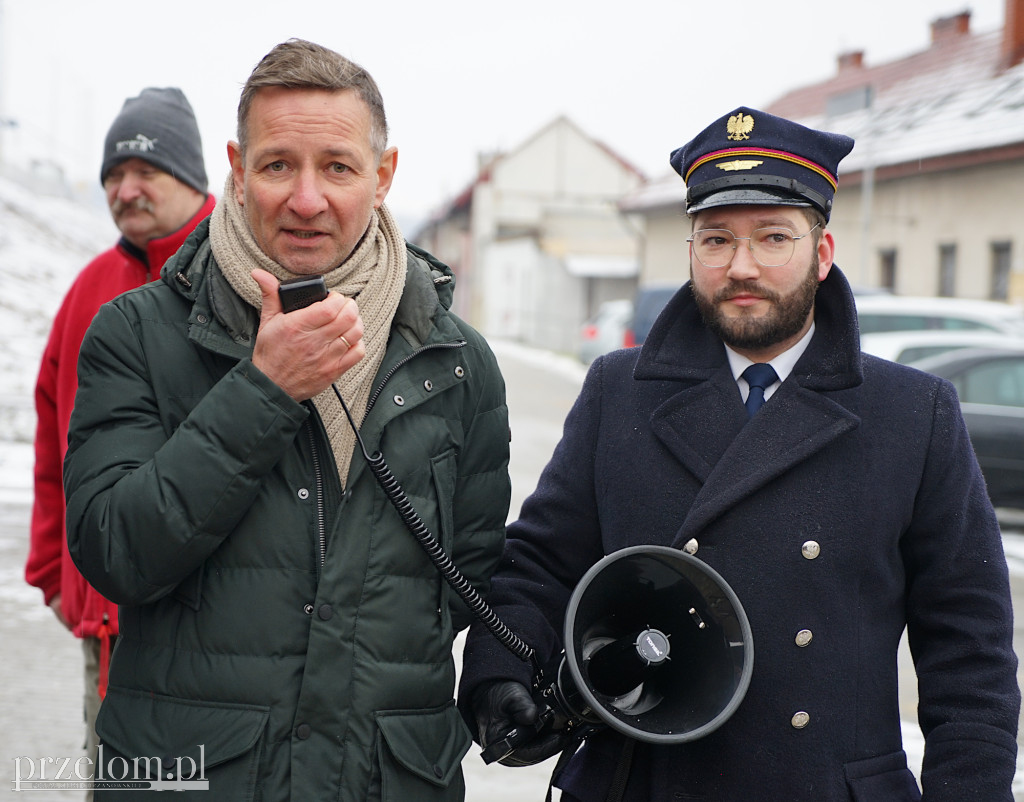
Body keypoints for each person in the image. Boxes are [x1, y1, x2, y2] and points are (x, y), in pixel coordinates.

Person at [459, 107, 1020, 800]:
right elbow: (541, 565)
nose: (741, 266)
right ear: (691, 250)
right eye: (716, 239)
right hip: (642, 779)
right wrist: (502, 669)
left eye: (773, 238)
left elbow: (970, 652)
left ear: (822, 252)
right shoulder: (619, 392)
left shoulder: (911, 414)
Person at [62, 39, 509, 801]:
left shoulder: (458, 361)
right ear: (237, 170)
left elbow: (465, 583)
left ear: (383, 175)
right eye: (277, 166)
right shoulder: (134, 333)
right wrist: (264, 390)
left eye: (337, 166)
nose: (307, 199)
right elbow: (115, 551)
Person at [25, 86, 214, 778]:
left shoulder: (241, 274)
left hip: (211, 623)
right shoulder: (88, 288)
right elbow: (54, 437)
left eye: (145, 172)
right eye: (113, 174)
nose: (125, 189)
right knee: (116, 778)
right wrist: (52, 570)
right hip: (103, 625)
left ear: (194, 177)